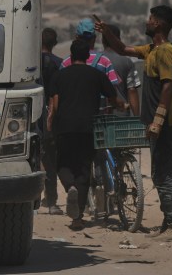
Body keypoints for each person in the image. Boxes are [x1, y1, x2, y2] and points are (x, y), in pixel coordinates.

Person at [99, 5, 172, 241]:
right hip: (157, 123)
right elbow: (122, 48)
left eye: (150, 18)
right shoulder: (151, 50)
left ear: (158, 23)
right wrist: (106, 31)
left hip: (166, 123)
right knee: (160, 172)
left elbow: (167, 87)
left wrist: (158, 119)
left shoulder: (166, 51)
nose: (147, 22)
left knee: (162, 175)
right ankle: (169, 225)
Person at [47, 39, 119, 231]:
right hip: (88, 128)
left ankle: (69, 186)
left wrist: (51, 122)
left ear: (70, 56)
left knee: (63, 164)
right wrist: (122, 106)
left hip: (65, 127)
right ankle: (78, 218)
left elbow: (55, 103)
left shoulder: (59, 76)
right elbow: (113, 96)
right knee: (84, 169)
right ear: (88, 56)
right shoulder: (96, 74)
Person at [39, 27, 63, 215]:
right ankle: (52, 201)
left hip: (30, 114)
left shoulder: (29, 62)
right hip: (52, 117)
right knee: (50, 160)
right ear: (54, 44)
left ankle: (35, 200)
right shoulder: (60, 64)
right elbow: (57, 95)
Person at [102, 23, 141, 116]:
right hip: (121, 116)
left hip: (99, 117)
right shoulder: (127, 61)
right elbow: (132, 90)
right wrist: (136, 117)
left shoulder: (96, 60)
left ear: (103, 40)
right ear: (118, 40)